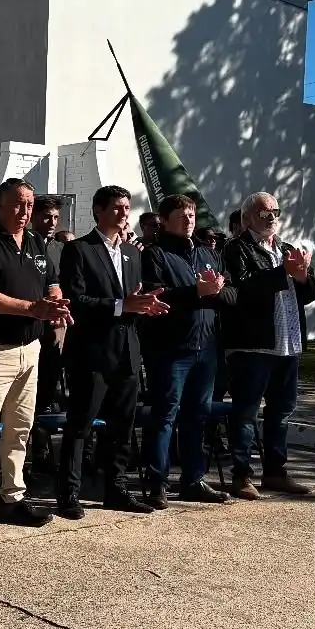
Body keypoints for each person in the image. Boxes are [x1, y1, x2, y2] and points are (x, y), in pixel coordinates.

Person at [0, 179, 72, 537]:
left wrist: (54, 303)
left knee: (20, 428)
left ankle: (12, 498)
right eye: (18, 205)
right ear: (0, 206)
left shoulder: (37, 242)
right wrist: (32, 309)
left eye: (29, 204)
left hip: (30, 349)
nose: (25, 212)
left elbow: (51, 282)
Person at [57, 186, 168, 516]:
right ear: (98, 211)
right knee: (81, 426)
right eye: (117, 208)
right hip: (92, 353)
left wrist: (145, 306)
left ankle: (116, 488)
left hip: (127, 353)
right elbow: (77, 300)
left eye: (127, 208)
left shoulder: (132, 253)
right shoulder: (79, 250)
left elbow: (133, 298)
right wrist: (122, 305)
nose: (123, 214)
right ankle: (69, 494)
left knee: (122, 427)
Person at [221, 191, 315, 499]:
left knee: (281, 412)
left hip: (288, 344)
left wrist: (304, 276)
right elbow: (242, 290)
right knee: (246, 411)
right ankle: (242, 475)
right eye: (265, 213)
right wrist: (284, 273)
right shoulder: (236, 248)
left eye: (276, 211)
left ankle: (276, 472)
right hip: (255, 346)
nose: (272, 217)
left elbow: (310, 292)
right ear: (248, 217)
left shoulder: (287, 248)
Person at [140, 194, 234, 507]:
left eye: (191, 216)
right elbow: (156, 295)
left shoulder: (209, 253)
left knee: (198, 416)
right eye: (181, 217)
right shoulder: (155, 254)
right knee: (165, 414)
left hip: (205, 346)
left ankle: (193, 480)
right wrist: (196, 291)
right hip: (170, 348)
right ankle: (157, 483)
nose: (188, 221)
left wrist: (217, 292)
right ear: (164, 221)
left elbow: (231, 292)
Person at [29, 195, 66, 474]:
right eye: (46, 216)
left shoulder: (63, 249)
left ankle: (42, 447)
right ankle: (34, 449)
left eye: (55, 217)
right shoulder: (26, 245)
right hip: (30, 325)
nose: (51, 222)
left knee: (48, 388)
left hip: (55, 327)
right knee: (30, 391)